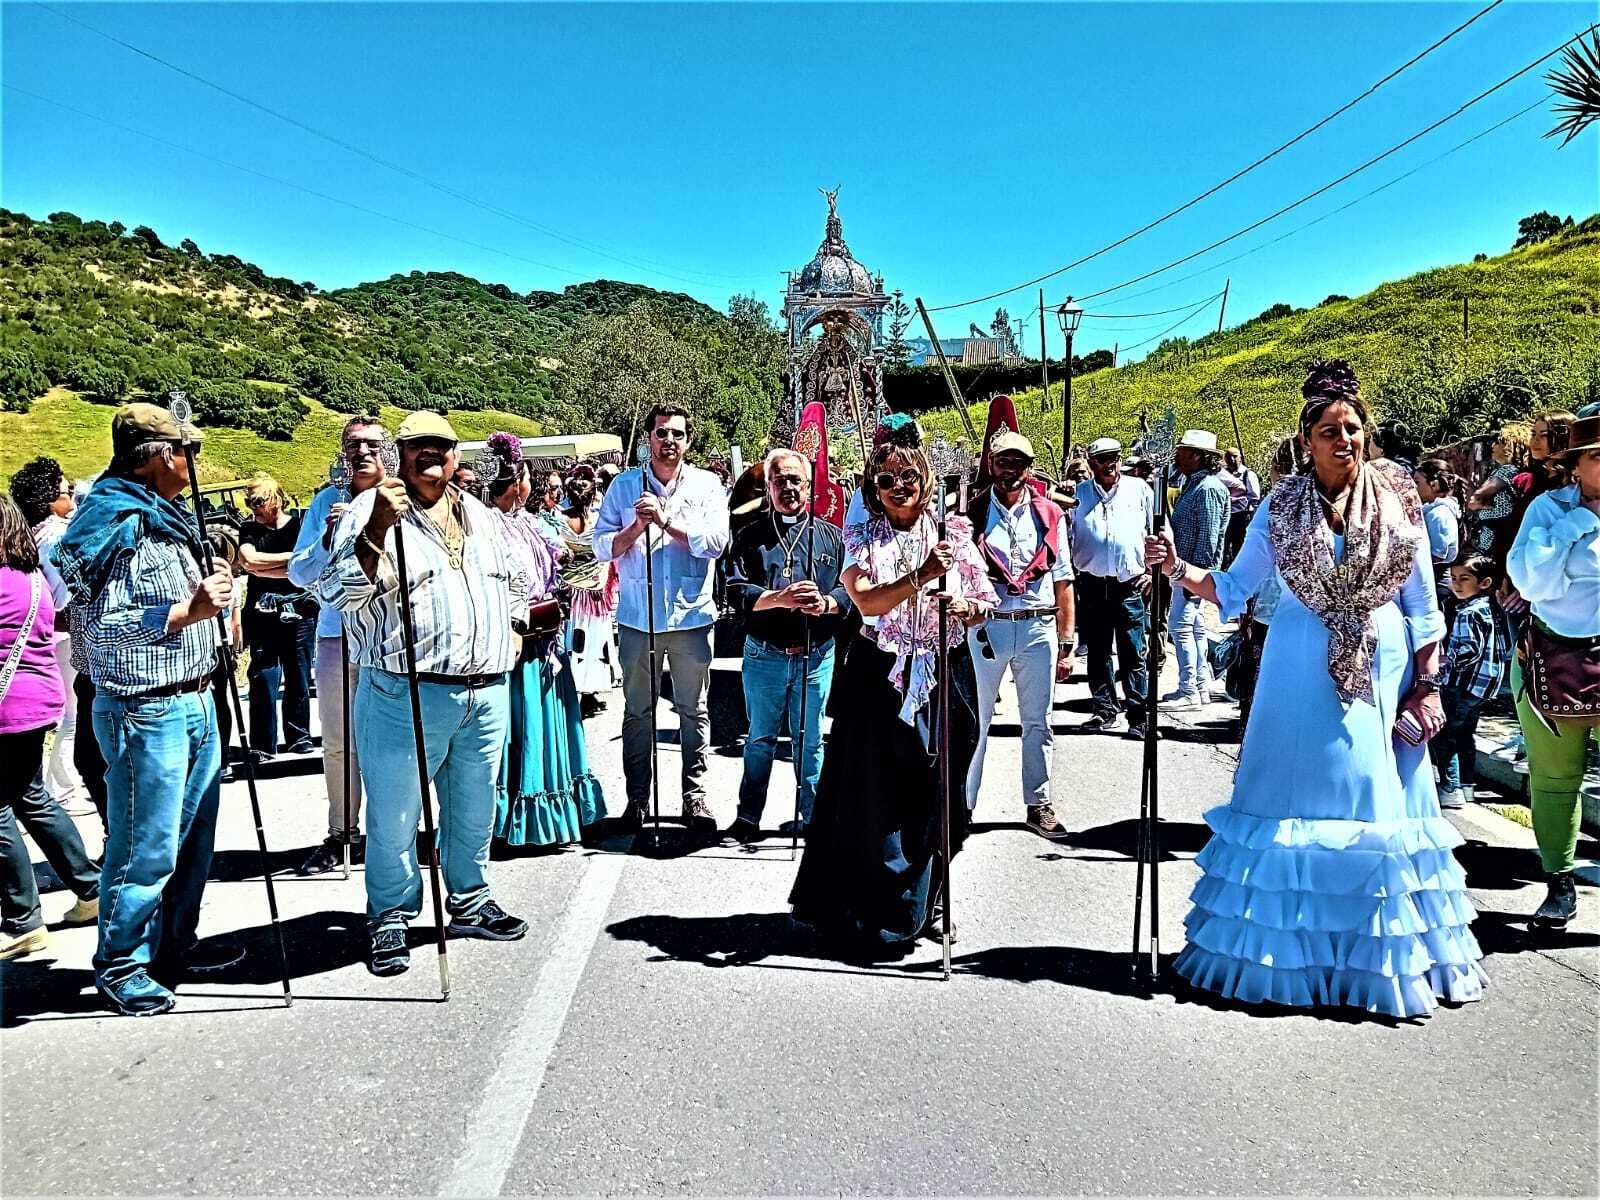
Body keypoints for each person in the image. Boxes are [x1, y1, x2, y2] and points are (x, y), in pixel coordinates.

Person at [1146, 361, 1486, 1018]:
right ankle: (1288, 958)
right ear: (1308, 441)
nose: (1344, 440)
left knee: (1367, 801)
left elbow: (1423, 606)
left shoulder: (1397, 501)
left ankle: (1374, 959)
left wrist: (1429, 685)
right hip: (1294, 667)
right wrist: (1177, 567)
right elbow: (1235, 589)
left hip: (1379, 672)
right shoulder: (1281, 505)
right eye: (1330, 430)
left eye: (1353, 428)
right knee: (1290, 798)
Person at [322, 411, 531, 976]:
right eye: (416, 447)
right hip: (403, 692)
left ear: (455, 455)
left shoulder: (483, 516)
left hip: (484, 691)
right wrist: (375, 532)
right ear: (400, 454)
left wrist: (512, 629)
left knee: (473, 806)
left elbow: (516, 580)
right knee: (393, 814)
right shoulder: (370, 509)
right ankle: (390, 915)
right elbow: (339, 591)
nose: (429, 456)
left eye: (440, 446)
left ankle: (469, 899)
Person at [52, 403, 238, 1015]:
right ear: (161, 455)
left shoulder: (166, 519)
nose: (193, 464)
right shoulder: (112, 522)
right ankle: (121, 963)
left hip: (196, 696)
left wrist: (216, 606)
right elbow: (101, 632)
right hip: (144, 708)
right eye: (188, 452)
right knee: (145, 846)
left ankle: (173, 950)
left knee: (192, 840)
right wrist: (192, 610)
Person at [789, 421, 996, 955]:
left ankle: (928, 903)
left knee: (939, 792)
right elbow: (869, 603)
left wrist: (966, 607)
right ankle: (868, 909)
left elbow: (985, 600)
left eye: (908, 475)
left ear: (926, 479)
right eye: (886, 479)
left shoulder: (956, 535)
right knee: (871, 795)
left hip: (945, 673)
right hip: (879, 678)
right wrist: (923, 576)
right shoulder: (862, 537)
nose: (898, 485)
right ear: (873, 489)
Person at [594, 403, 730, 832]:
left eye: (677, 434)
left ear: (688, 441)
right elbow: (602, 547)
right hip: (638, 617)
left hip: (691, 618)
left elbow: (715, 542)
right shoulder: (623, 487)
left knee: (694, 710)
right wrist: (636, 526)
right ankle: (637, 799)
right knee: (638, 712)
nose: (668, 441)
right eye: (661, 433)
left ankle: (695, 796)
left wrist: (668, 524)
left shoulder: (708, 486)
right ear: (648, 440)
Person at [478, 434, 604, 848]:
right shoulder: (489, 526)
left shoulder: (528, 524)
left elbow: (563, 559)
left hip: (546, 641)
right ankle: (513, 816)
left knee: (543, 721)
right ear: (517, 483)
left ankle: (543, 814)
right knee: (523, 725)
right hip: (520, 643)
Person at [722, 448, 851, 842]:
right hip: (766, 655)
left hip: (816, 656)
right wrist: (781, 598)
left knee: (809, 742)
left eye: (796, 480)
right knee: (759, 738)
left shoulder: (832, 536)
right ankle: (748, 817)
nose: (789, 487)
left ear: (809, 487)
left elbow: (849, 592)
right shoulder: (748, 536)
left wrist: (826, 603)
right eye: (780, 480)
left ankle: (814, 818)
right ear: (768, 487)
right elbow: (735, 589)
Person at [1506, 411, 1600, 930]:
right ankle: (1559, 885)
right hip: (1553, 659)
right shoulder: (1549, 508)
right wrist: (1579, 523)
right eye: (1597, 455)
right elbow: (1533, 581)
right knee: (1556, 779)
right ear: (1576, 464)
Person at [286, 416, 388, 875]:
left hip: (390, 635)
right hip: (336, 633)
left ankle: (398, 831)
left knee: (395, 740)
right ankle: (342, 832)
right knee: (338, 740)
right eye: (353, 445)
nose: (361, 452)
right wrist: (329, 538)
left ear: (387, 450)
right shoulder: (326, 501)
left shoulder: (398, 498)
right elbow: (298, 573)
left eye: (371, 444)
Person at [963, 430, 1076, 838]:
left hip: (1037, 624)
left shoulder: (1050, 515)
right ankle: (964, 804)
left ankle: (1038, 802)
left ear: (1030, 469)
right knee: (976, 720)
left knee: (1039, 721)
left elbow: (1063, 579)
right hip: (987, 624)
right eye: (1003, 461)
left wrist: (1067, 642)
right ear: (991, 465)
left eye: (1019, 463)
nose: (1011, 470)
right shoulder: (971, 514)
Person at [0, 498, 99, 960]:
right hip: (37, 699)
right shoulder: (31, 577)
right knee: (30, 795)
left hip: (6, 706)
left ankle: (21, 919)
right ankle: (88, 886)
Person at [9, 457, 88, 812]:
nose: (70, 497)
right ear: (48, 499)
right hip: (67, 628)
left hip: (47, 631)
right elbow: (70, 590)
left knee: (68, 712)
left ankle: (61, 783)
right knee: (72, 714)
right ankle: (66, 787)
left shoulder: (29, 535)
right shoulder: (56, 534)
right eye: (64, 491)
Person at [1071, 436, 1154, 737]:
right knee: (1097, 651)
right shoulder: (1078, 495)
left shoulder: (1140, 490)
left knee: (1134, 651)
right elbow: (1066, 537)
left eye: (1115, 457)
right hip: (1091, 584)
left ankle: (1139, 717)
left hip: (1129, 584)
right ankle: (1104, 710)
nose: (1111, 464)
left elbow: (1159, 532)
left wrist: (1152, 573)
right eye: (1103, 459)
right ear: (1091, 463)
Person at [238, 473, 316, 757]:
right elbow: (249, 560)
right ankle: (262, 743)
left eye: (258, 501)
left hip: (299, 608)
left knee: (298, 675)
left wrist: (266, 567)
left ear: (276, 500)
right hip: (262, 612)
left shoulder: (299, 525)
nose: (253, 507)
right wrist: (293, 560)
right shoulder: (248, 529)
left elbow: (308, 564)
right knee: (262, 676)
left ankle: (299, 736)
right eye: (250, 502)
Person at [1431, 554, 1512, 811]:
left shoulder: (1467, 612)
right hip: (1484, 686)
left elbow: (1469, 650)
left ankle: (1450, 787)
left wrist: (1445, 661)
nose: (1457, 584)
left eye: (1464, 579)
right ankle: (1468, 786)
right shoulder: (1491, 609)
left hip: (1462, 684)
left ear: (1485, 582)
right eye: (1454, 578)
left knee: (1446, 736)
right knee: (1466, 735)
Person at [1161, 429, 1231, 710]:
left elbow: (1210, 537)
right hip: (1185, 570)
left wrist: (1197, 578)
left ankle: (1188, 688)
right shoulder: (1194, 484)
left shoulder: (1209, 489)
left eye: (1184, 452)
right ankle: (1200, 685)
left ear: (1199, 456)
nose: (1178, 456)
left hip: (1191, 571)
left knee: (1180, 627)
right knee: (1196, 628)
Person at [556, 464, 620, 710]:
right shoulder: (600, 520)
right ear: (594, 494)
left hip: (571, 589)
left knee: (573, 640)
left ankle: (574, 688)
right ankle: (588, 690)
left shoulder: (559, 521)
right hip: (594, 589)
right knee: (595, 639)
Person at [1413, 458, 1462, 597]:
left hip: (1436, 579)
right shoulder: (1431, 511)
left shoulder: (1438, 515)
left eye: (1417, 482)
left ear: (1433, 485)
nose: (1412, 487)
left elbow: (1437, 554)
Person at [1221, 447, 1262, 566]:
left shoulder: (1248, 474)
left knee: (1239, 547)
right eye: (1229, 457)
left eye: (1235, 456)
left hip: (1242, 516)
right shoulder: (1224, 475)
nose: (1232, 460)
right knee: (1223, 545)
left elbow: (1254, 497)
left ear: (1240, 457)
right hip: (1227, 516)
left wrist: (1236, 500)